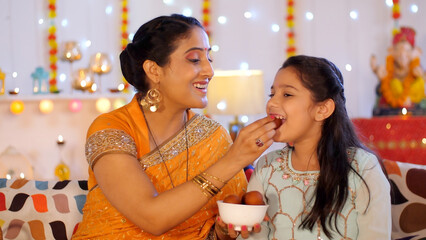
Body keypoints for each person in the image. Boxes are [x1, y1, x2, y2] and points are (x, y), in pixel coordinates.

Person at [72, 14, 276, 240]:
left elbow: (214, 229)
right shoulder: (112, 128)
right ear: (153, 70)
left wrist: (221, 232)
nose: (209, 71)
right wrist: (234, 159)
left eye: (209, 58)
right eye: (195, 59)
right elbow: (152, 218)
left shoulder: (214, 137)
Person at [237, 55, 391, 239]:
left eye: (287, 94)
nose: (271, 103)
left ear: (322, 109)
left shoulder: (363, 167)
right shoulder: (266, 167)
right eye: (272, 94)